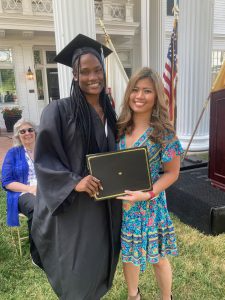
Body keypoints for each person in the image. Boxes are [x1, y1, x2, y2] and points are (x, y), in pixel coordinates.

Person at [31, 34, 122, 300]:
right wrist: (75, 182)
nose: (93, 77)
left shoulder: (110, 112)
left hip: (106, 204)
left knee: (100, 263)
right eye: (85, 71)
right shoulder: (58, 111)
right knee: (77, 273)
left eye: (97, 70)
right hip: (76, 208)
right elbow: (44, 159)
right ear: (74, 74)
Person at [116, 67, 183, 300]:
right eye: (135, 90)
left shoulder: (164, 133)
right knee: (129, 255)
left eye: (147, 91)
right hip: (124, 206)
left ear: (156, 96)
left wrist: (148, 194)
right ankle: (133, 295)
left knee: (158, 257)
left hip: (151, 205)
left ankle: (167, 297)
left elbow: (172, 173)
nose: (139, 96)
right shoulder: (118, 128)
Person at [1, 118, 42, 267]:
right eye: (22, 131)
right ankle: (37, 255)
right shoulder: (13, 153)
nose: (27, 133)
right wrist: (30, 189)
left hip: (45, 190)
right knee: (37, 207)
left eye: (30, 130)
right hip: (22, 194)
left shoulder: (44, 151)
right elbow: (6, 181)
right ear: (18, 136)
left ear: (35, 132)